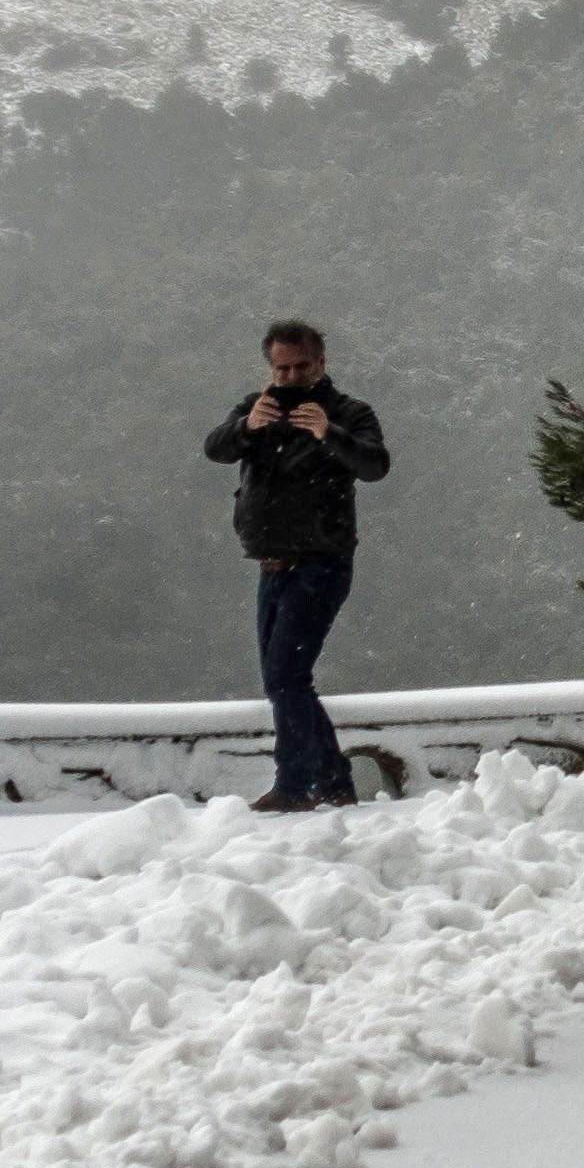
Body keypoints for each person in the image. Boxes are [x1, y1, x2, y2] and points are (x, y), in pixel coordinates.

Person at [205, 320, 394, 812]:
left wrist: (328, 433)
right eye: (280, 367)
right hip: (269, 563)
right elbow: (215, 449)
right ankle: (333, 781)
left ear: (321, 362)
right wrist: (247, 428)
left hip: (322, 563)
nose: (289, 376)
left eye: (300, 366)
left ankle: (296, 786)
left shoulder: (349, 412)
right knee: (283, 679)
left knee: (287, 675)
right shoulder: (255, 407)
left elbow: (375, 465)